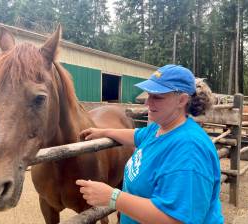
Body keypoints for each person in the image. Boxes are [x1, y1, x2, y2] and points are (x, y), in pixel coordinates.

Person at [76, 64, 224, 224]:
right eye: (149, 95)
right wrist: (104, 132)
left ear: (181, 100)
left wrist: (113, 197)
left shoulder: (189, 151)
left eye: (157, 97)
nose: (147, 102)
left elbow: (176, 219)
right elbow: (136, 135)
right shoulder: (161, 128)